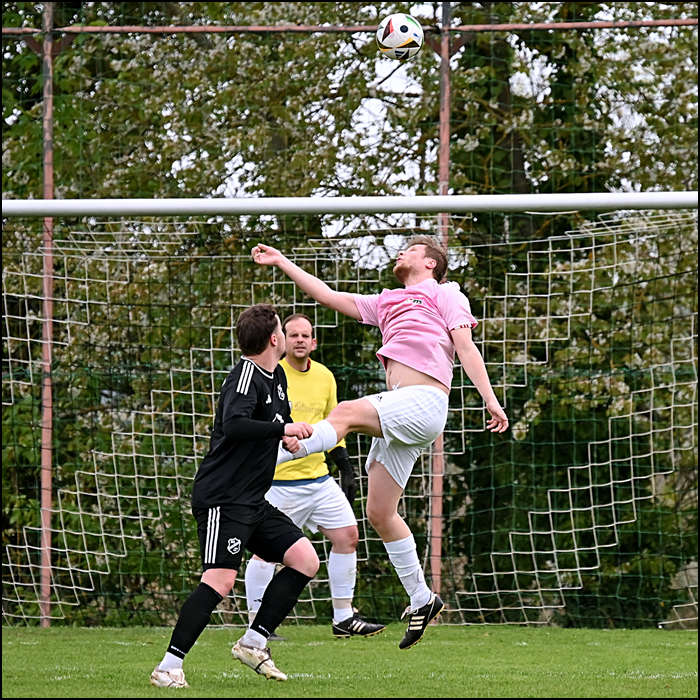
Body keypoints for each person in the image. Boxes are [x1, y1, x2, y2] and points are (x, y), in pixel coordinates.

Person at [253, 235, 509, 651]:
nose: (401, 252)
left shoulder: (446, 293)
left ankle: (277, 451)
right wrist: (282, 261)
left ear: (430, 263)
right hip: (402, 413)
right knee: (379, 512)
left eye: (411, 249)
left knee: (345, 413)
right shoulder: (388, 300)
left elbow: (466, 346)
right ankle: (422, 597)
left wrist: (491, 400)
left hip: (424, 402)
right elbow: (328, 296)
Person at [150, 304, 320, 688]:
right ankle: (168, 667)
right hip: (222, 499)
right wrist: (282, 430)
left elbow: (271, 423)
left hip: (253, 501)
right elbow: (235, 424)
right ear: (274, 339)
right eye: (283, 331)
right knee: (220, 581)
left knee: (305, 559)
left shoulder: (277, 376)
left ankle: (253, 643)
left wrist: (286, 435)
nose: (287, 336)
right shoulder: (246, 375)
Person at [244, 313, 386, 639]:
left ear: (314, 342)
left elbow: (335, 424)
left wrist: (345, 467)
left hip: (318, 480)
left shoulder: (324, 376)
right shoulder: (270, 375)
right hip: (278, 483)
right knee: (266, 552)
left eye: (305, 335)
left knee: (347, 536)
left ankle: (343, 618)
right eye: (293, 335)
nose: (299, 340)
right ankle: (256, 621)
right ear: (281, 340)